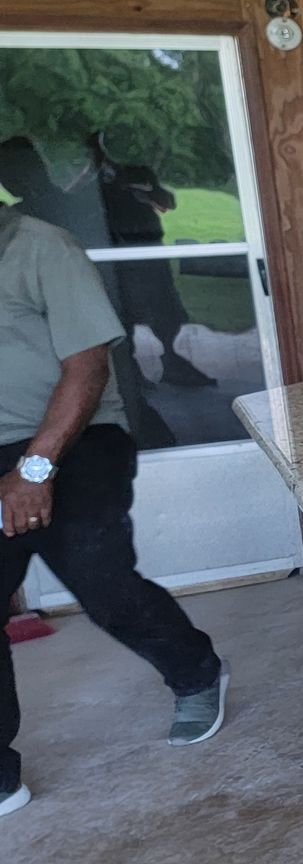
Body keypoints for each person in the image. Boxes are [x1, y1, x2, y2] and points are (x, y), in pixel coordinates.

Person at [0, 203, 229, 820]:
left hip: (74, 437)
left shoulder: (42, 248)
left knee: (100, 578)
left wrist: (34, 470)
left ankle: (197, 673)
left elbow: (88, 369)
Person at [0, 136, 176, 450]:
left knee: (115, 359)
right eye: (9, 172)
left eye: (20, 168)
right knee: (124, 356)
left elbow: (165, 203)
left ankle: (155, 427)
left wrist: (133, 188)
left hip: (127, 271)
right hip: (99, 286)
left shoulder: (55, 219)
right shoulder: (24, 212)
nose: (14, 178)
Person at [87, 132, 217, 388]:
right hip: (119, 254)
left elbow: (167, 202)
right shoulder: (93, 180)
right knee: (125, 311)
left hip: (149, 248)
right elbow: (88, 207)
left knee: (165, 307)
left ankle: (173, 360)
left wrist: (148, 191)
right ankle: (132, 371)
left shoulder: (139, 172)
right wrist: (114, 188)